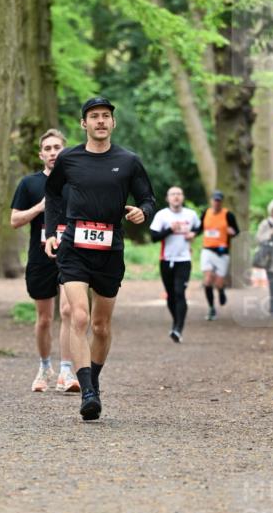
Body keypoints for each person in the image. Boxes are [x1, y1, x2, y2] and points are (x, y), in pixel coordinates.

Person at [44, 96, 156, 421]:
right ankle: (88, 392)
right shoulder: (68, 159)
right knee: (78, 317)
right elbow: (52, 194)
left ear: (113, 123)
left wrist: (142, 212)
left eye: (106, 116)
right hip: (75, 246)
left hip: (110, 248)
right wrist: (52, 230)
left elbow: (148, 197)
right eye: (94, 116)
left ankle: (93, 378)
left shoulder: (129, 161)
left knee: (101, 326)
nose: (101, 121)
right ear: (84, 124)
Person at [10, 129, 79, 393]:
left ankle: (66, 370)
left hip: (71, 256)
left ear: (65, 150)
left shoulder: (75, 182)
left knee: (68, 312)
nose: (53, 152)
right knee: (44, 318)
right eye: (48, 148)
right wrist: (39, 208)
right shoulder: (29, 184)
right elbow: (14, 221)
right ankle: (43, 366)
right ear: (41, 154)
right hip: (40, 257)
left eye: (57, 147)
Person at [150, 186, 200, 342]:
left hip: (184, 260)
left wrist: (194, 234)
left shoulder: (190, 214)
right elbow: (154, 237)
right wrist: (170, 230)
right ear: (168, 198)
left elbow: (199, 226)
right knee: (171, 295)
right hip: (166, 260)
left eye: (179, 194)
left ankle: (178, 328)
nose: (176, 197)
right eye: (173, 194)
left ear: (183, 197)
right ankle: (176, 322)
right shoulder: (162, 215)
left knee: (180, 292)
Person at [200, 191, 239, 321]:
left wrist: (232, 232)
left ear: (221, 202)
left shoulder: (228, 215)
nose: (216, 202)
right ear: (211, 201)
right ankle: (211, 308)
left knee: (218, 282)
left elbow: (236, 231)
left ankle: (221, 290)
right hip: (208, 250)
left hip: (222, 252)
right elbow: (199, 228)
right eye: (214, 200)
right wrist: (190, 235)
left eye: (219, 200)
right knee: (207, 280)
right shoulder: (206, 213)